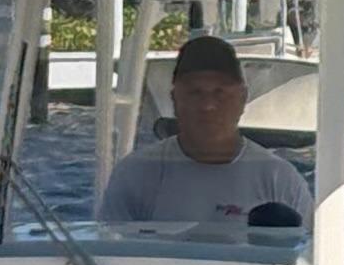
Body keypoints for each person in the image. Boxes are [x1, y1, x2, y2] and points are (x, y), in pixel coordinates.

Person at [101, 32, 310, 235]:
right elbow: (110, 249)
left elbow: (310, 249)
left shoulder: (280, 180)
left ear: (243, 97)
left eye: (220, 92)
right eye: (195, 93)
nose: (208, 105)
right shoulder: (134, 175)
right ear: (174, 98)